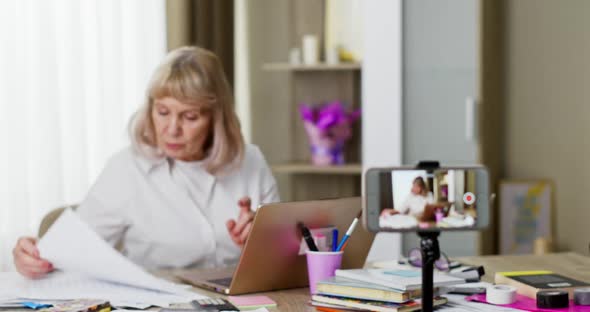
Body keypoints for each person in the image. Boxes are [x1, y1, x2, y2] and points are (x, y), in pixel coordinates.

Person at [13, 46, 280, 278]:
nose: (171, 129)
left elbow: (286, 256)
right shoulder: (126, 169)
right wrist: (32, 256)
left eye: (189, 117)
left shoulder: (251, 161)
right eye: (162, 112)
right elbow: (69, 250)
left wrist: (263, 241)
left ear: (216, 119)